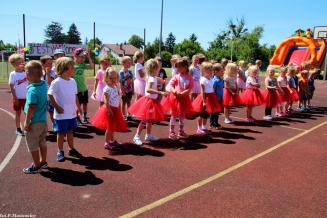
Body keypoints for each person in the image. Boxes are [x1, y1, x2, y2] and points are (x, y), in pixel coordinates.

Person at [48, 57, 83, 162]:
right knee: (61, 133)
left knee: (70, 132)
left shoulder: (73, 81)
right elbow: (50, 94)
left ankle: (71, 149)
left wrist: (78, 108)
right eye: (71, 68)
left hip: (71, 113)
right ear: (63, 69)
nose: (74, 69)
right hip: (61, 114)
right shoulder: (57, 82)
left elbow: (75, 96)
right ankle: (60, 151)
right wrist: (57, 107)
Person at [128, 59, 167, 146]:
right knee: (144, 120)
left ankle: (148, 135)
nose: (159, 70)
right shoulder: (151, 79)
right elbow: (149, 89)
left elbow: (158, 79)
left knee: (149, 120)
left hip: (152, 101)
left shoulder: (152, 77)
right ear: (154, 69)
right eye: (157, 69)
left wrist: (162, 81)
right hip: (149, 101)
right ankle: (137, 136)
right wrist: (160, 92)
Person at [92, 68, 128, 150]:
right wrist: (109, 110)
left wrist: (118, 106)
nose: (113, 80)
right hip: (109, 110)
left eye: (115, 78)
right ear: (107, 78)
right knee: (109, 128)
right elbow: (106, 101)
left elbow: (117, 98)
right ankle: (107, 143)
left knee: (112, 127)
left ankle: (112, 140)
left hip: (115, 109)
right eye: (111, 78)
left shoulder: (115, 86)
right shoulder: (107, 89)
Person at [23, 61, 48, 174]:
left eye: (26, 73)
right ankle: (43, 161)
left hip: (34, 122)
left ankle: (36, 166)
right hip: (43, 121)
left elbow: (31, 107)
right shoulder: (43, 84)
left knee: (32, 144)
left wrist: (27, 122)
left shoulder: (32, 91)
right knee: (42, 141)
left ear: (28, 75)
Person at [162, 57, 194, 140]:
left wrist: (182, 93)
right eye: (177, 67)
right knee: (173, 115)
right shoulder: (176, 76)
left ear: (185, 67)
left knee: (182, 116)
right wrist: (175, 92)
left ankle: (181, 131)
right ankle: (171, 132)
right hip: (175, 99)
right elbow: (171, 85)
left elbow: (190, 88)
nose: (178, 69)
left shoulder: (189, 77)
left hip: (184, 99)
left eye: (180, 67)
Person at [192, 62, 223, 134]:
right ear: (204, 71)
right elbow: (202, 91)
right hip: (205, 97)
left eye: (211, 69)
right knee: (201, 114)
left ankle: (204, 127)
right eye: (208, 70)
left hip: (211, 97)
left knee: (206, 114)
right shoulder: (203, 79)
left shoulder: (210, 79)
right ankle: (199, 128)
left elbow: (212, 89)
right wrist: (204, 101)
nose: (210, 71)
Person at [8, 54, 28, 136]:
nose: (21, 64)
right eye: (18, 63)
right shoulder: (13, 74)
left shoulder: (26, 72)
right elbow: (12, 87)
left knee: (27, 113)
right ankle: (18, 129)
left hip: (27, 97)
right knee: (18, 113)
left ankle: (27, 128)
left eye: (21, 62)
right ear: (13, 64)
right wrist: (15, 98)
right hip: (18, 98)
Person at [73, 48, 94, 123]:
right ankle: (76, 117)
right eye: (81, 57)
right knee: (77, 105)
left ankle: (84, 116)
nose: (82, 59)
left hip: (84, 88)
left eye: (83, 57)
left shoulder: (82, 65)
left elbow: (91, 67)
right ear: (75, 56)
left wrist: (89, 57)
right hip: (76, 89)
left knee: (85, 103)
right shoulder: (72, 65)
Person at [40, 55, 56, 124]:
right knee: (42, 113)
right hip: (41, 96)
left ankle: (54, 125)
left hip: (50, 97)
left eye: (51, 63)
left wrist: (48, 73)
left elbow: (50, 83)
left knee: (51, 112)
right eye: (48, 63)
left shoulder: (52, 72)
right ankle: (43, 127)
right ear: (43, 64)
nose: (50, 65)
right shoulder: (39, 72)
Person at [210, 63, 224, 129]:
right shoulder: (214, 80)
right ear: (216, 71)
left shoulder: (221, 79)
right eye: (221, 71)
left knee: (217, 111)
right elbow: (213, 90)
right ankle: (212, 123)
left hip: (219, 98)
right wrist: (214, 98)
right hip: (215, 99)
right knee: (213, 112)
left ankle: (216, 122)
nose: (223, 72)